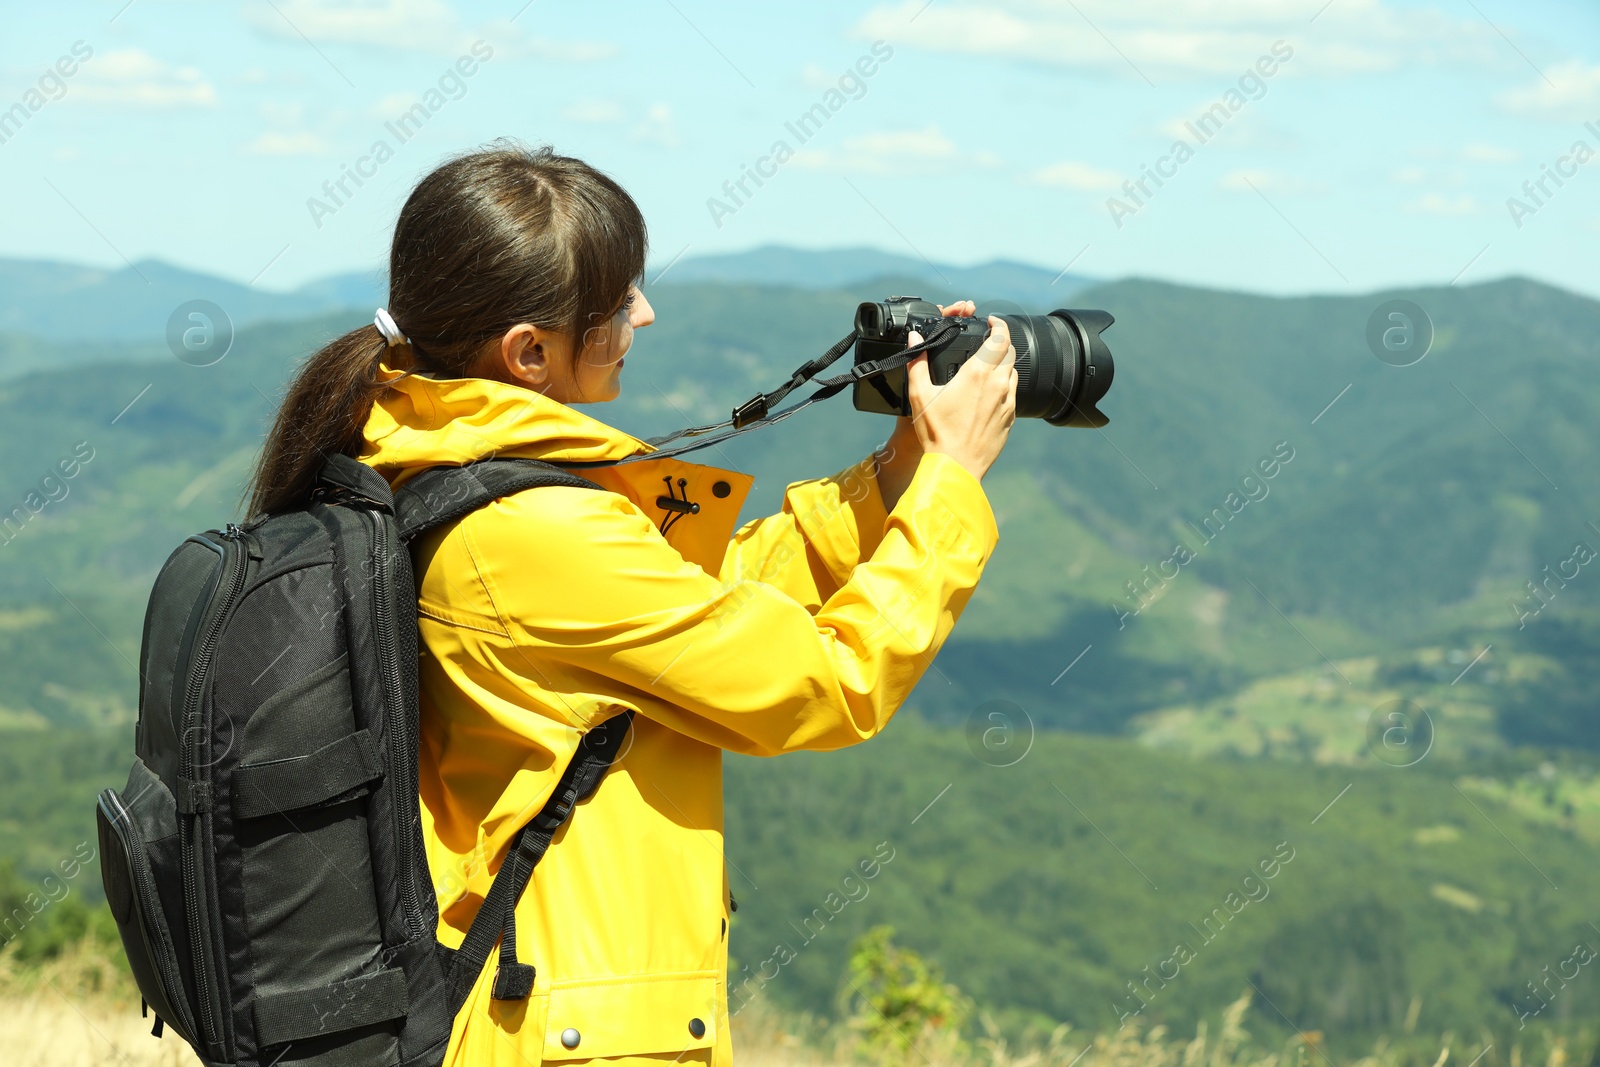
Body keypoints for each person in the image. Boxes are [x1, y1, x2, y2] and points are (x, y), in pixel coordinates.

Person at [245, 141, 1016, 1067]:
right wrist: (951, 491)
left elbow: (702, 608)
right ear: (529, 351)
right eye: (618, 301)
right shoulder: (534, 530)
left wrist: (896, 473)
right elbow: (820, 683)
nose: (645, 313)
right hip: (565, 1031)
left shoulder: (436, 457)